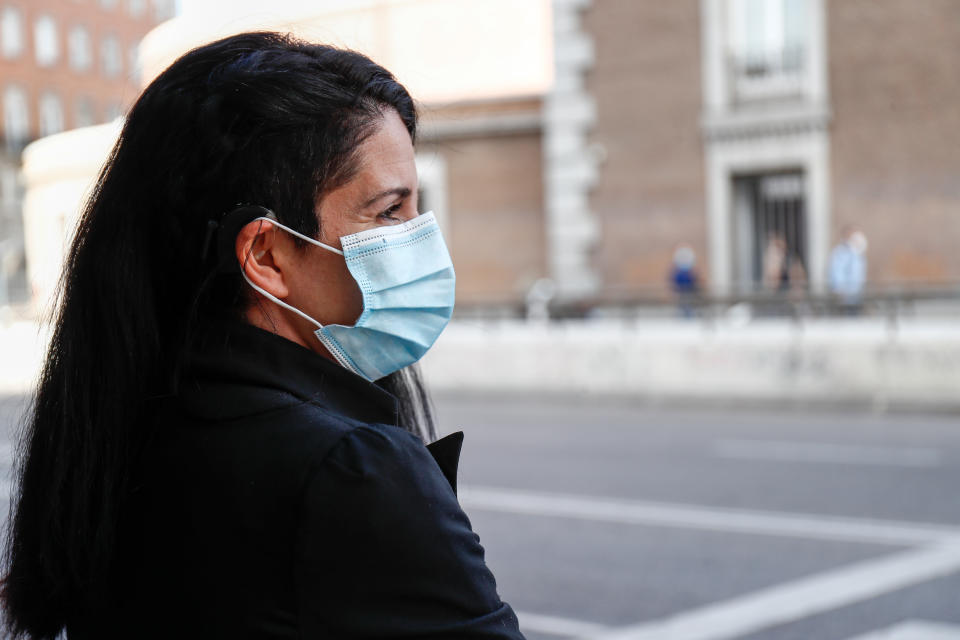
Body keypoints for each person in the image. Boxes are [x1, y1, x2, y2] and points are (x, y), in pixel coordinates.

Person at [2, 32, 525, 639]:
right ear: (266, 255)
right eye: (389, 211)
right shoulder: (349, 471)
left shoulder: (118, 426)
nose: (423, 237)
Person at [828, 226, 868, 313]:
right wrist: (839, 289)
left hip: (856, 294)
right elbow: (837, 272)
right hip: (844, 295)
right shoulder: (840, 252)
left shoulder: (857, 252)